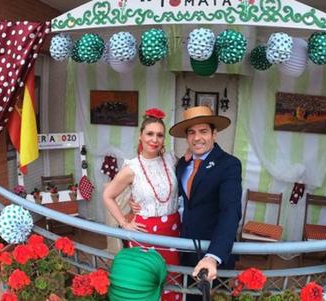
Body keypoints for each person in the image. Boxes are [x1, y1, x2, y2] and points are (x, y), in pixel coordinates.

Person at [102, 108, 182, 301]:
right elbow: (107, 195)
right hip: (144, 234)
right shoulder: (132, 168)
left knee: (171, 283)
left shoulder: (171, 159)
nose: (154, 139)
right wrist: (124, 222)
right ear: (141, 136)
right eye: (150, 134)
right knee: (145, 285)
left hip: (172, 231)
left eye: (160, 135)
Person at [168, 106, 242, 301]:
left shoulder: (229, 164)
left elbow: (230, 211)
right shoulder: (183, 164)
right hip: (186, 248)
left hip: (214, 254)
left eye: (203, 131)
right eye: (191, 132)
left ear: (214, 134)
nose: (197, 138)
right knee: (190, 298)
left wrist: (213, 256)